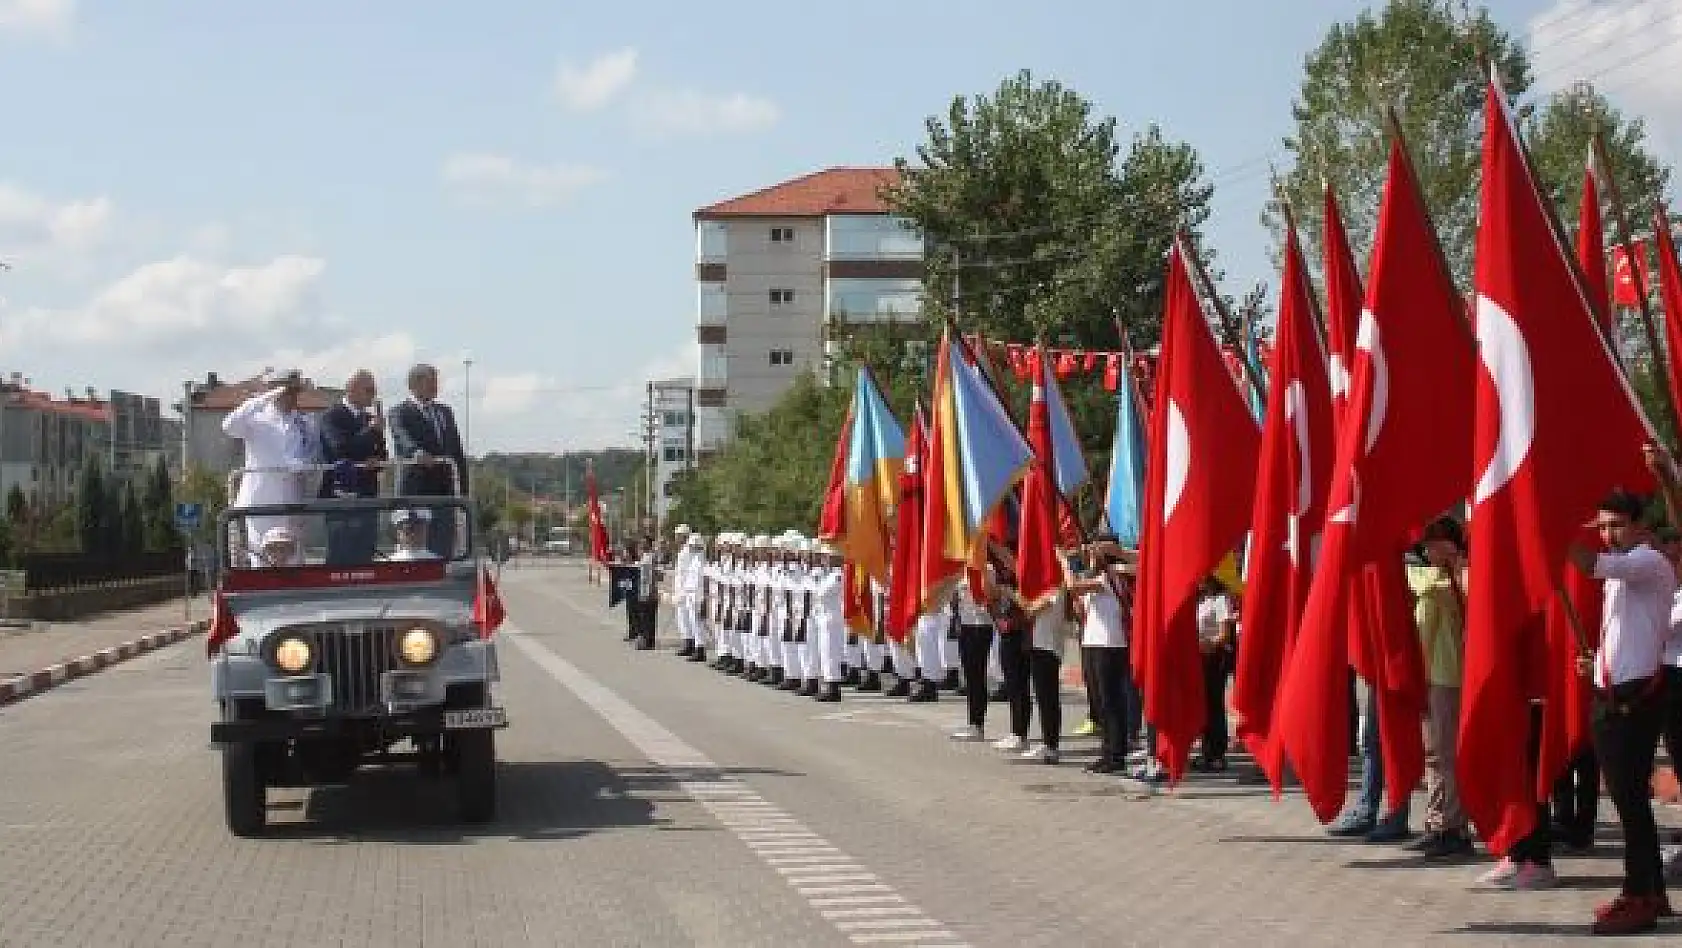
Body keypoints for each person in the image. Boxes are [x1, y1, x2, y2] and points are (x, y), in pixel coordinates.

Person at [1565, 489, 1675, 935]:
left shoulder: (1648, 562)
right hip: (1614, 690)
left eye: (1617, 525)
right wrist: (1597, 663)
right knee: (1628, 800)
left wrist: (1549, 532)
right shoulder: (1625, 570)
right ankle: (1651, 891)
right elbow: (1625, 632)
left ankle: (1639, 894)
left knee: (1630, 802)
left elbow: (1592, 564)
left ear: (1639, 525)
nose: (1609, 535)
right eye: (1603, 526)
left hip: (1636, 697)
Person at [1408, 515, 1473, 859]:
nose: (1426, 548)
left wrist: (1456, 561)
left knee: (1445, 755)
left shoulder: (1455, 578)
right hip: (1430, 674)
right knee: (1433, 754)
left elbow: (1467, 599)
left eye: (1433, 541)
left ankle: (1454, 826)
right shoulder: (1428, 577)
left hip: (1449, 675)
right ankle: (1437, 823)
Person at [223, 373, 316, 564]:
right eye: (286, 391)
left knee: (294, 559)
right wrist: (264, 398)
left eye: (294, 392)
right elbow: (228, 426)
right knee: (261, 558)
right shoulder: (256, 419)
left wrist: (302, 464)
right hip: (261, 501)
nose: (290, 397)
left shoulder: (304, 422)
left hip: (292, 500)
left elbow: (311, 455)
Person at [1067, 535, 1135, 774]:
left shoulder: (1112, 575)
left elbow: (1073, 586)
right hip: (1092, 642)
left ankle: (1117, 753)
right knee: (1099, 701)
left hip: (1110, 645)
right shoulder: (1096, 577)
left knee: (1110, 701)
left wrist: (1064, 564)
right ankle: (1107, 750)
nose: (1090, 553)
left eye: (1094, 549)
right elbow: (1079, 605)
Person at [389, 363, 469, 557]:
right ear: (414, 384)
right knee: (415, 549)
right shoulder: (399, 412)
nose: (436, 387)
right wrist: (416, 452)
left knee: (443, 546)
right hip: (416, 490)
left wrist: (463, 487)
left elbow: (456, 451)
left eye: (436, 382)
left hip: (444, 491)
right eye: (431, 382)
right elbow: (401, 437)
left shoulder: (445, 412)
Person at [319, 369, 389, 565]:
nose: (373, 395)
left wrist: (375, 462)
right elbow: (339, 449)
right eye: (369, 390)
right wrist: (370, 431)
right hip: (339, 495)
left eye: (374, 390)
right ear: (352, 389)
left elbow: (382, 453)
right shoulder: (332, 416)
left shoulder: (369, 418)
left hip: (367, 493)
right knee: (340, 550)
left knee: (365, 550)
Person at [949, 565, 998, 743]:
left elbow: (991, 596)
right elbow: (956, 598)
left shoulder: (987, 568)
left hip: (981, 625)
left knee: (977, 676)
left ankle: (977, 724)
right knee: (970, 676)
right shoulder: (961, 569)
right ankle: (974, 723)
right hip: (966, 625)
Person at [1193, 576, 1237, 772]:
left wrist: (1209, 642)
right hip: (1200, 657)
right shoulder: (1200, 599)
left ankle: (1217, 753)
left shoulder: (1220, 599)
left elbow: (1225, 633)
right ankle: (1206, 751)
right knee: (1203, 705)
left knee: (1214, 705)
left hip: (1214, 657)